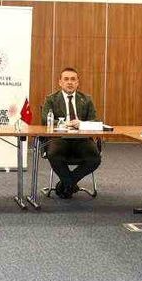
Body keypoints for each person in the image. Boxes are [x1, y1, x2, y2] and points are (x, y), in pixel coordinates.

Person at [40, 67, 102, 198]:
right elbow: (45, 119)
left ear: (77, 82)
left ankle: (66, 184)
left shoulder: (86, 99)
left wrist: (81, 123)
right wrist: (64, 124)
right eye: (66, 79)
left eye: (73, 79)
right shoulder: (51, 99)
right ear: (60, 82)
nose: (69, 82)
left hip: (82, 139)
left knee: (95, 158)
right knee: (53, 154)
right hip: (59, 138)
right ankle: (71, 185)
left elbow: (94, 120)